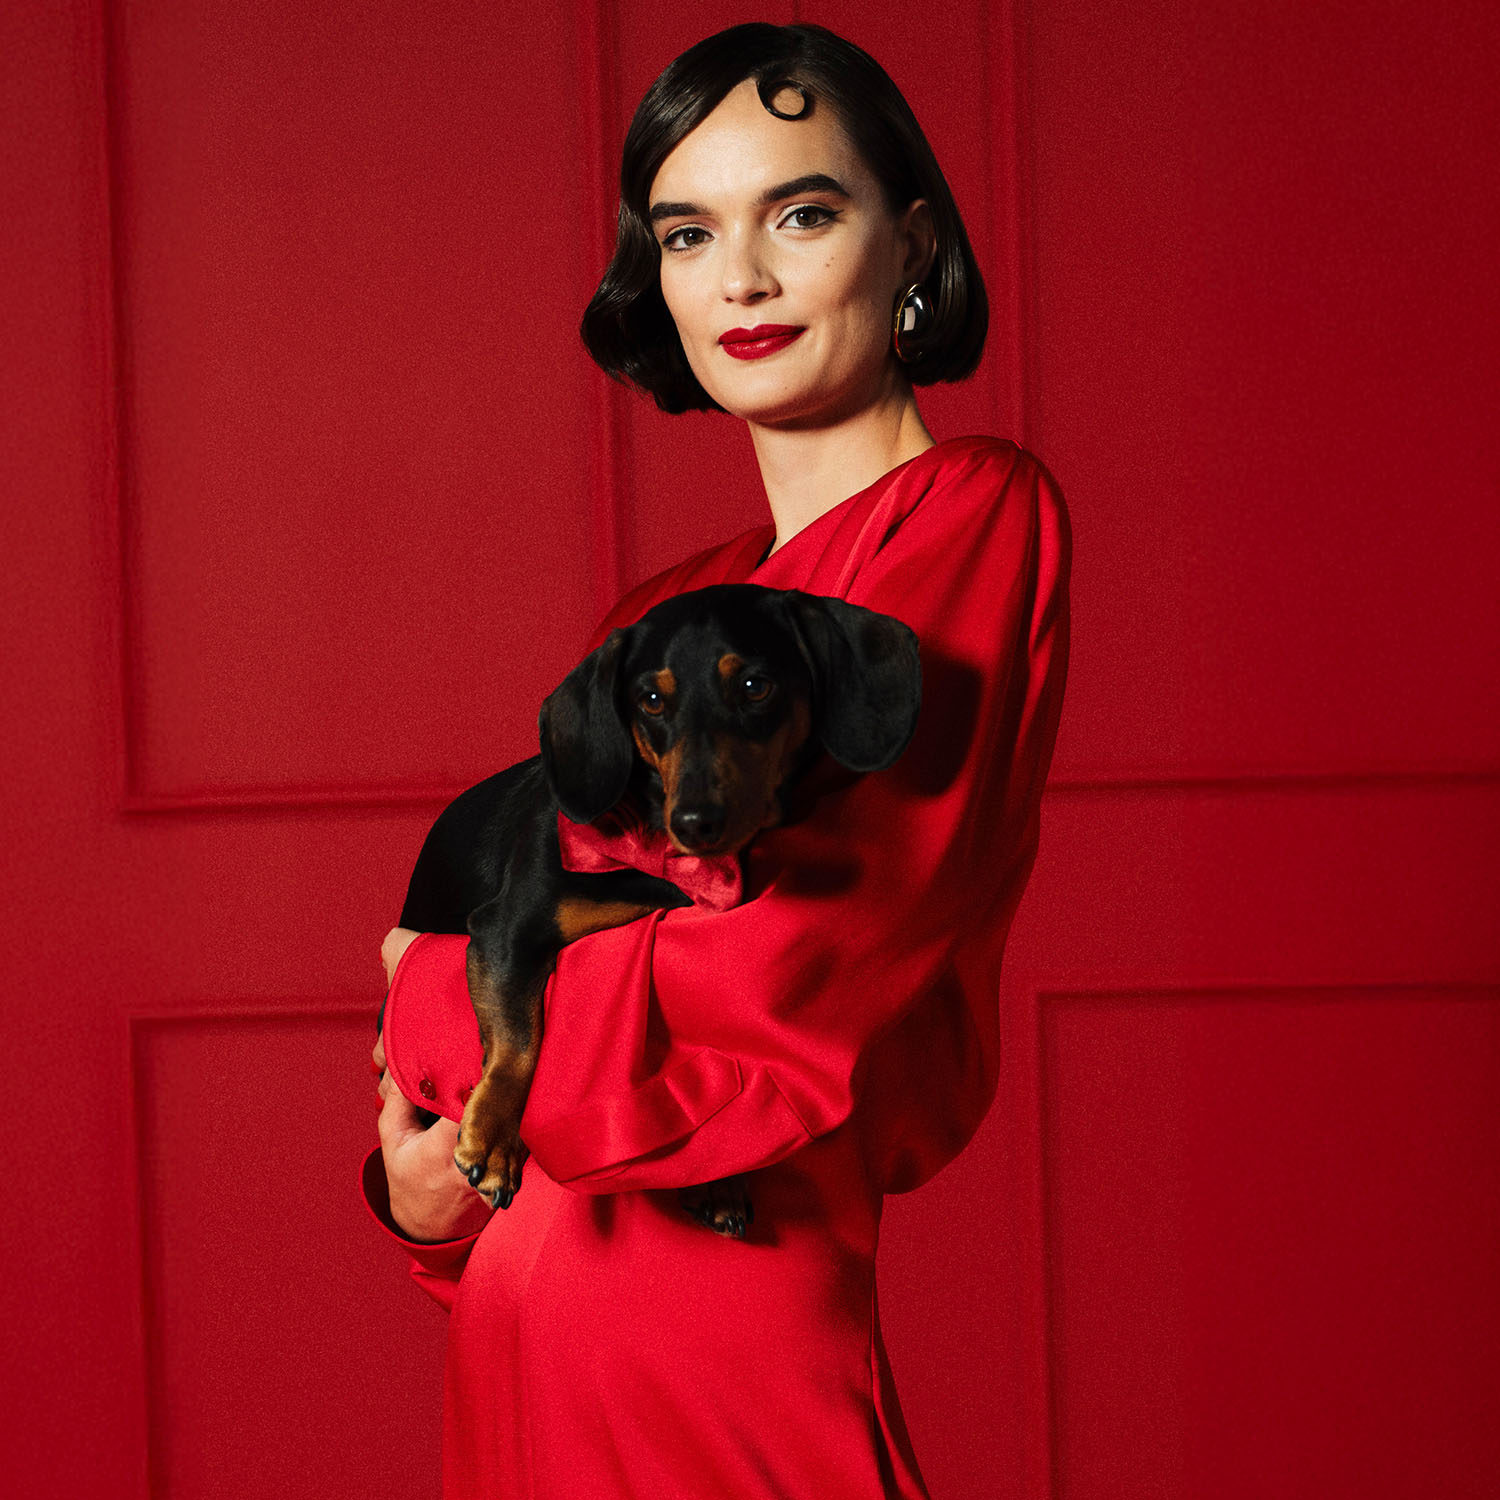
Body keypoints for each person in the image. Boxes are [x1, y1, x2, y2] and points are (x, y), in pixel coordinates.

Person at [363, 21, 1071, 1499]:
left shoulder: (964, 523)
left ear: (914, 242)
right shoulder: (670, 618)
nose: (739, 277)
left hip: (715, 1330)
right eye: (690, 231)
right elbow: (553, 968)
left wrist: (423, 987)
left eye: (801, 212)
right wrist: (421, 1196)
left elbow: (771, 981)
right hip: (525, 1333)